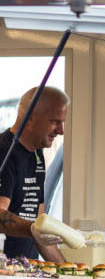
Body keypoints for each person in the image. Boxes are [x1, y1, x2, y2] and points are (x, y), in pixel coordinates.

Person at [0, 86, 69, 262]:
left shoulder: (37, 154)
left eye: (62, 123)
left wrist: (68, 271)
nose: (61, 130)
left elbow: (40, 223)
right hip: (5, 274)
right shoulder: (4, 153)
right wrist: (34, 228)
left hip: (27, 271)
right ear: (30, 117)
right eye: (55, 122)